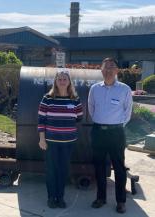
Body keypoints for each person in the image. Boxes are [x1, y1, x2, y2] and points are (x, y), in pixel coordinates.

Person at [88, 57, 133, 214]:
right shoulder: (94, 88)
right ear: (101, 70)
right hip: (98, 132)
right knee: (99, 167)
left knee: (119, 168)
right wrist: (101, 122)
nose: (108, 70)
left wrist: (116, 125)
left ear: (116, 70)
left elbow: (127, 112)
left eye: (111, 67)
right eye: (105, 67)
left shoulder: (124, 89)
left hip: (116, 133)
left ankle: (121, 201)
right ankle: (101, 198)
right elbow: (91, 108)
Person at [38, 69, 83, 209]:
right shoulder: (47, 98)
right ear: (55, 82)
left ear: (69, 82)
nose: (62, 81)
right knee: (51, 170)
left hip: (68, 143)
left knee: (63, 170)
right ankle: (51, 198)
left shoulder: (75, 99)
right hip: (51, 142)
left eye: (65, 79)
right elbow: (41, 120)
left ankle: (60, 198)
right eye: (60, 79)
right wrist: (42, 139)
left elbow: (79, 117)